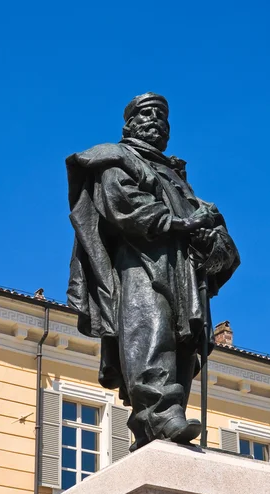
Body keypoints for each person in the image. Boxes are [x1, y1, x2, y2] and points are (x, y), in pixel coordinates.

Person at [66, 92, 240, 450]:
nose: (156, 122)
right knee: (151, 333)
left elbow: (219, 241)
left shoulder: (176, 177)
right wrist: (185, 222)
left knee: (183, 345)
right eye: (146, 115)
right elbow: (124, 206)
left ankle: (156, 427)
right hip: (139, 264)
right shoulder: (115, 160)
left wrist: (211, 240)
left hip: (183, 272)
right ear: (129, 124)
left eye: (162, 117)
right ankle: (160, 415)